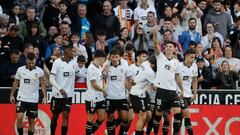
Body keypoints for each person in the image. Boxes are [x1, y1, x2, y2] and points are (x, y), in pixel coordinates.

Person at [152, 29, 184, 135]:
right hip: (161, 90)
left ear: (175, 49)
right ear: (164, 48)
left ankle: (175, 133)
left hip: (172, 92)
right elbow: (155, 45)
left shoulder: (176, 62)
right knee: (158, 115)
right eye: (167, 46)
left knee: (178, 114)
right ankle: (156, 133)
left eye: (171, 46)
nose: (168, 48)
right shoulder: (160, 57)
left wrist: (182, 90)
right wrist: (155, 35)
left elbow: (177, 77)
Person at [9, 52, 47, 135]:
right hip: (21, 98)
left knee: (31, 120)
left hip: (33, 99)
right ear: (26, 60)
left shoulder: (40, 71)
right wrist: (11, 95)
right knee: (19, 117)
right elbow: (15, 82)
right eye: (29, 63)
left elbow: (43, 84)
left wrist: (45, 96)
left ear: (35, 60)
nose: (31, 64)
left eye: (33, 63)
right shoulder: (20, 69)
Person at [49, 46, 80, 135]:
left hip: (68, 95)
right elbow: (51, 79)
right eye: (72, 52)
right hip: (57, 95)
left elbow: (78, 72)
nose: (74, 54)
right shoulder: (57, 63)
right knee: (55, 116)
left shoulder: (74, 62)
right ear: (66, 53)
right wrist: (60, 89)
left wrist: (89, 76)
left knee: (65, 115)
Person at [105, 49, 132, 135]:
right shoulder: (107, 66)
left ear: (119, 57)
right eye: (113, 57)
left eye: (116, 57)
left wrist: (130, 93)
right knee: (110, 117)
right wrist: (106, 67)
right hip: (110, 96)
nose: (115, 59)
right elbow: (102, 77)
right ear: (110, 57)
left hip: (122, 96)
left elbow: (128, 81)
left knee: (125, 117)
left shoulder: (124, 66)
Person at [130, 55, 157, 135]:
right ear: (152, 64)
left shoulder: (145, 63)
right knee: (142, 116)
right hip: (136, 94)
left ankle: (139, 131)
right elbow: (155, 87)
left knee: (149, 115)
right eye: (157, 65)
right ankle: (138, 133)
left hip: (144, 93)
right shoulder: (150, 73)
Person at [85, 50, 107, 135]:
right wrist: (103, 90)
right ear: (100, 58)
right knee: (91, 117)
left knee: (101, 118)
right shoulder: (91, 68)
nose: (104, 61)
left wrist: (104, 73)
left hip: (100, 97)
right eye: (103, 59)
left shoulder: (99, 67)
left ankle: (91, 132)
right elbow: (93, 84)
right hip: (92, 97)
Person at [178, 49, 198, 135]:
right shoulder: (179, 66)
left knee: (180, 117)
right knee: (186, 113)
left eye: (194, 57)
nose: (193, 59)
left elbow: (194, 80)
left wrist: (195, 93)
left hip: (188, 94)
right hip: (179, 93)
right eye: (191, 57)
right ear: (186, 56)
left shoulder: (194, 66)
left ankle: (175, 133)